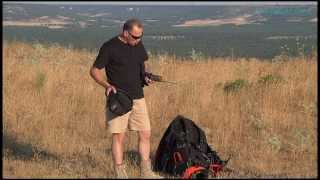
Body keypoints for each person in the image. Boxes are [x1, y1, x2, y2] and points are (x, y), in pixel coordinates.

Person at [90, 18, 161, 178]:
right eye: (135, 37)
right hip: (119, 99)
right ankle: (120, 173)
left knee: (145, 133)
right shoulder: (109, 47)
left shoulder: (138, 44)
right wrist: (107, 85)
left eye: (141, 36)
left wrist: (145, 76)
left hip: (138, 97)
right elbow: (94, 71)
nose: (139, 40)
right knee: (119, 136)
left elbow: (142, 64)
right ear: (125, 33)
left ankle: (146, 171)